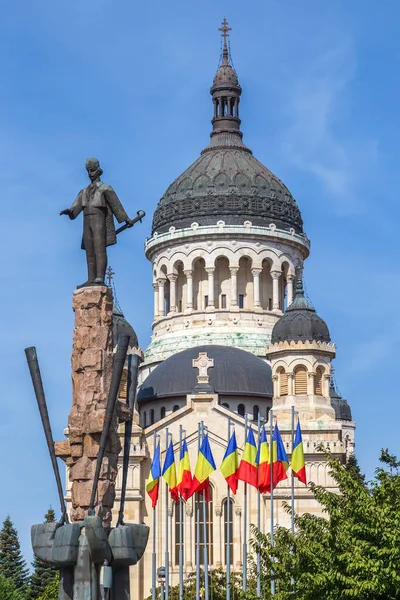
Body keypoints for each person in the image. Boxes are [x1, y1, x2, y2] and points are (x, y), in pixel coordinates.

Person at [60, 157, 133, 287]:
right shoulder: (83, 191)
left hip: (99, 220)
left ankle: (100, 277)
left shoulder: (105, 188)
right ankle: (90, 278)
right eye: (88, 171)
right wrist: (69, 212)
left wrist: (126, 219)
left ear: (98, 170)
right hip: (87, 221)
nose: (90, 174)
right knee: (89, 250)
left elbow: (116, 205)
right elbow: (75, 210)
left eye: (92, 170)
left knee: (99, 248)